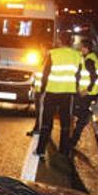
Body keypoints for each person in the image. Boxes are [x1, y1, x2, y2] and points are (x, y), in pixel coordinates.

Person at [35, 31, 81, 159]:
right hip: (67, 93)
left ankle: (40, 150)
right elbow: (79, 75)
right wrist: (77, 90)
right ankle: (63, 151)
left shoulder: (53, 53)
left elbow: (46, 74)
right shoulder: (77, 55)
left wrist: (42, 89)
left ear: (60, 41)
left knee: (46, 122)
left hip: (52, 92)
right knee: (65, 123)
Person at [71, 39, 98, 151]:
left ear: (86, 48)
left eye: (81, 47)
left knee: (78, 113)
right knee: (76, 111)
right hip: (88, 93)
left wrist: (87, 90)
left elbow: (94, 77)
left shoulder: (89, 60)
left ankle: (73, 140)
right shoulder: (89, 58)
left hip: (88, 94)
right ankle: (74, 137)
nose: (80, 49)